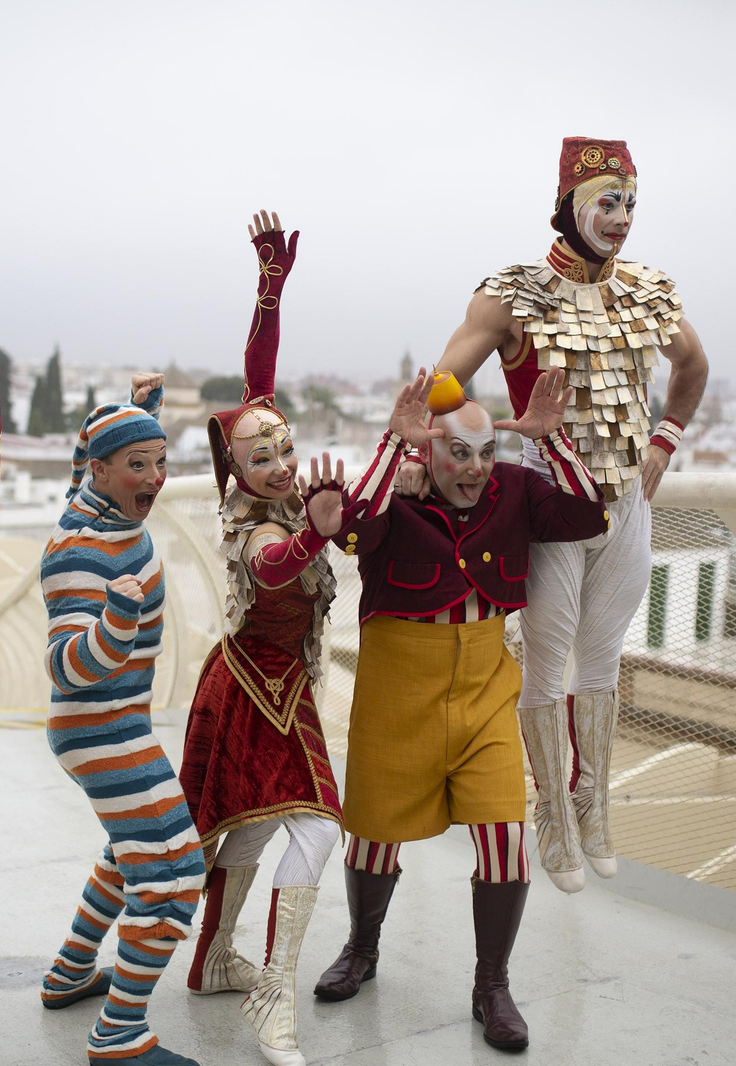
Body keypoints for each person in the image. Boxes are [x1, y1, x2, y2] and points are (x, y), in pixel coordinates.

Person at [423, 137, 709, 892]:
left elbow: (693, 366)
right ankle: (550, 811)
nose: (621, 218)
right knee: (548, 663)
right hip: (549, 504)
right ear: (571, 205)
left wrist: (664, 443)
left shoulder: (647, 291)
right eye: (607, 203)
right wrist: (513, 434)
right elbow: (440, 393)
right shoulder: (511, 294)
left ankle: (594, 806)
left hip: (627, 504)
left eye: (630, 204)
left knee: (604, 660)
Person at [314, 368, 608, 1051]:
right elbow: (350, 533)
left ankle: (492, 985)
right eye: (459, 454)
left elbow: (589, 516)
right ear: (428, 452)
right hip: (397, 691)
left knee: (506, 839)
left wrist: (549, 440)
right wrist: (395, 445)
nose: (475, 470)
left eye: (486, 454)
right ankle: (361, 949)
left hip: (483, 690)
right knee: (374, 833)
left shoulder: (517, 491)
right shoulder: (397, 492)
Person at [177, 211, 345, 1066]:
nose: (281, 462)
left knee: (246, 829)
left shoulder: (276, 493)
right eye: (264, 457)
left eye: (285, 448)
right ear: (237, 472)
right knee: (316, 826)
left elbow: (257, 382)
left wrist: (270, 289)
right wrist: (316, 531)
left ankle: (212, 958)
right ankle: (273, 994)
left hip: (270, 683)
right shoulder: (254, 525)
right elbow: (277, 570)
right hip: (254, 687)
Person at [38, 377, 207, 1066]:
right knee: (174, 875)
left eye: (159, 462)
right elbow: (67, 667)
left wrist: (142, 417)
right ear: (105, 471)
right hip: (100, 730)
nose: (156, 479)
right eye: (138, 465)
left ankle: (71, 973)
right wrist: (117, 622)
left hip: (119, 723)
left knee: (128, 851)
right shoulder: (81, 553)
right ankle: (118, 1036)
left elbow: (91, 459)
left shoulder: (100, 502)